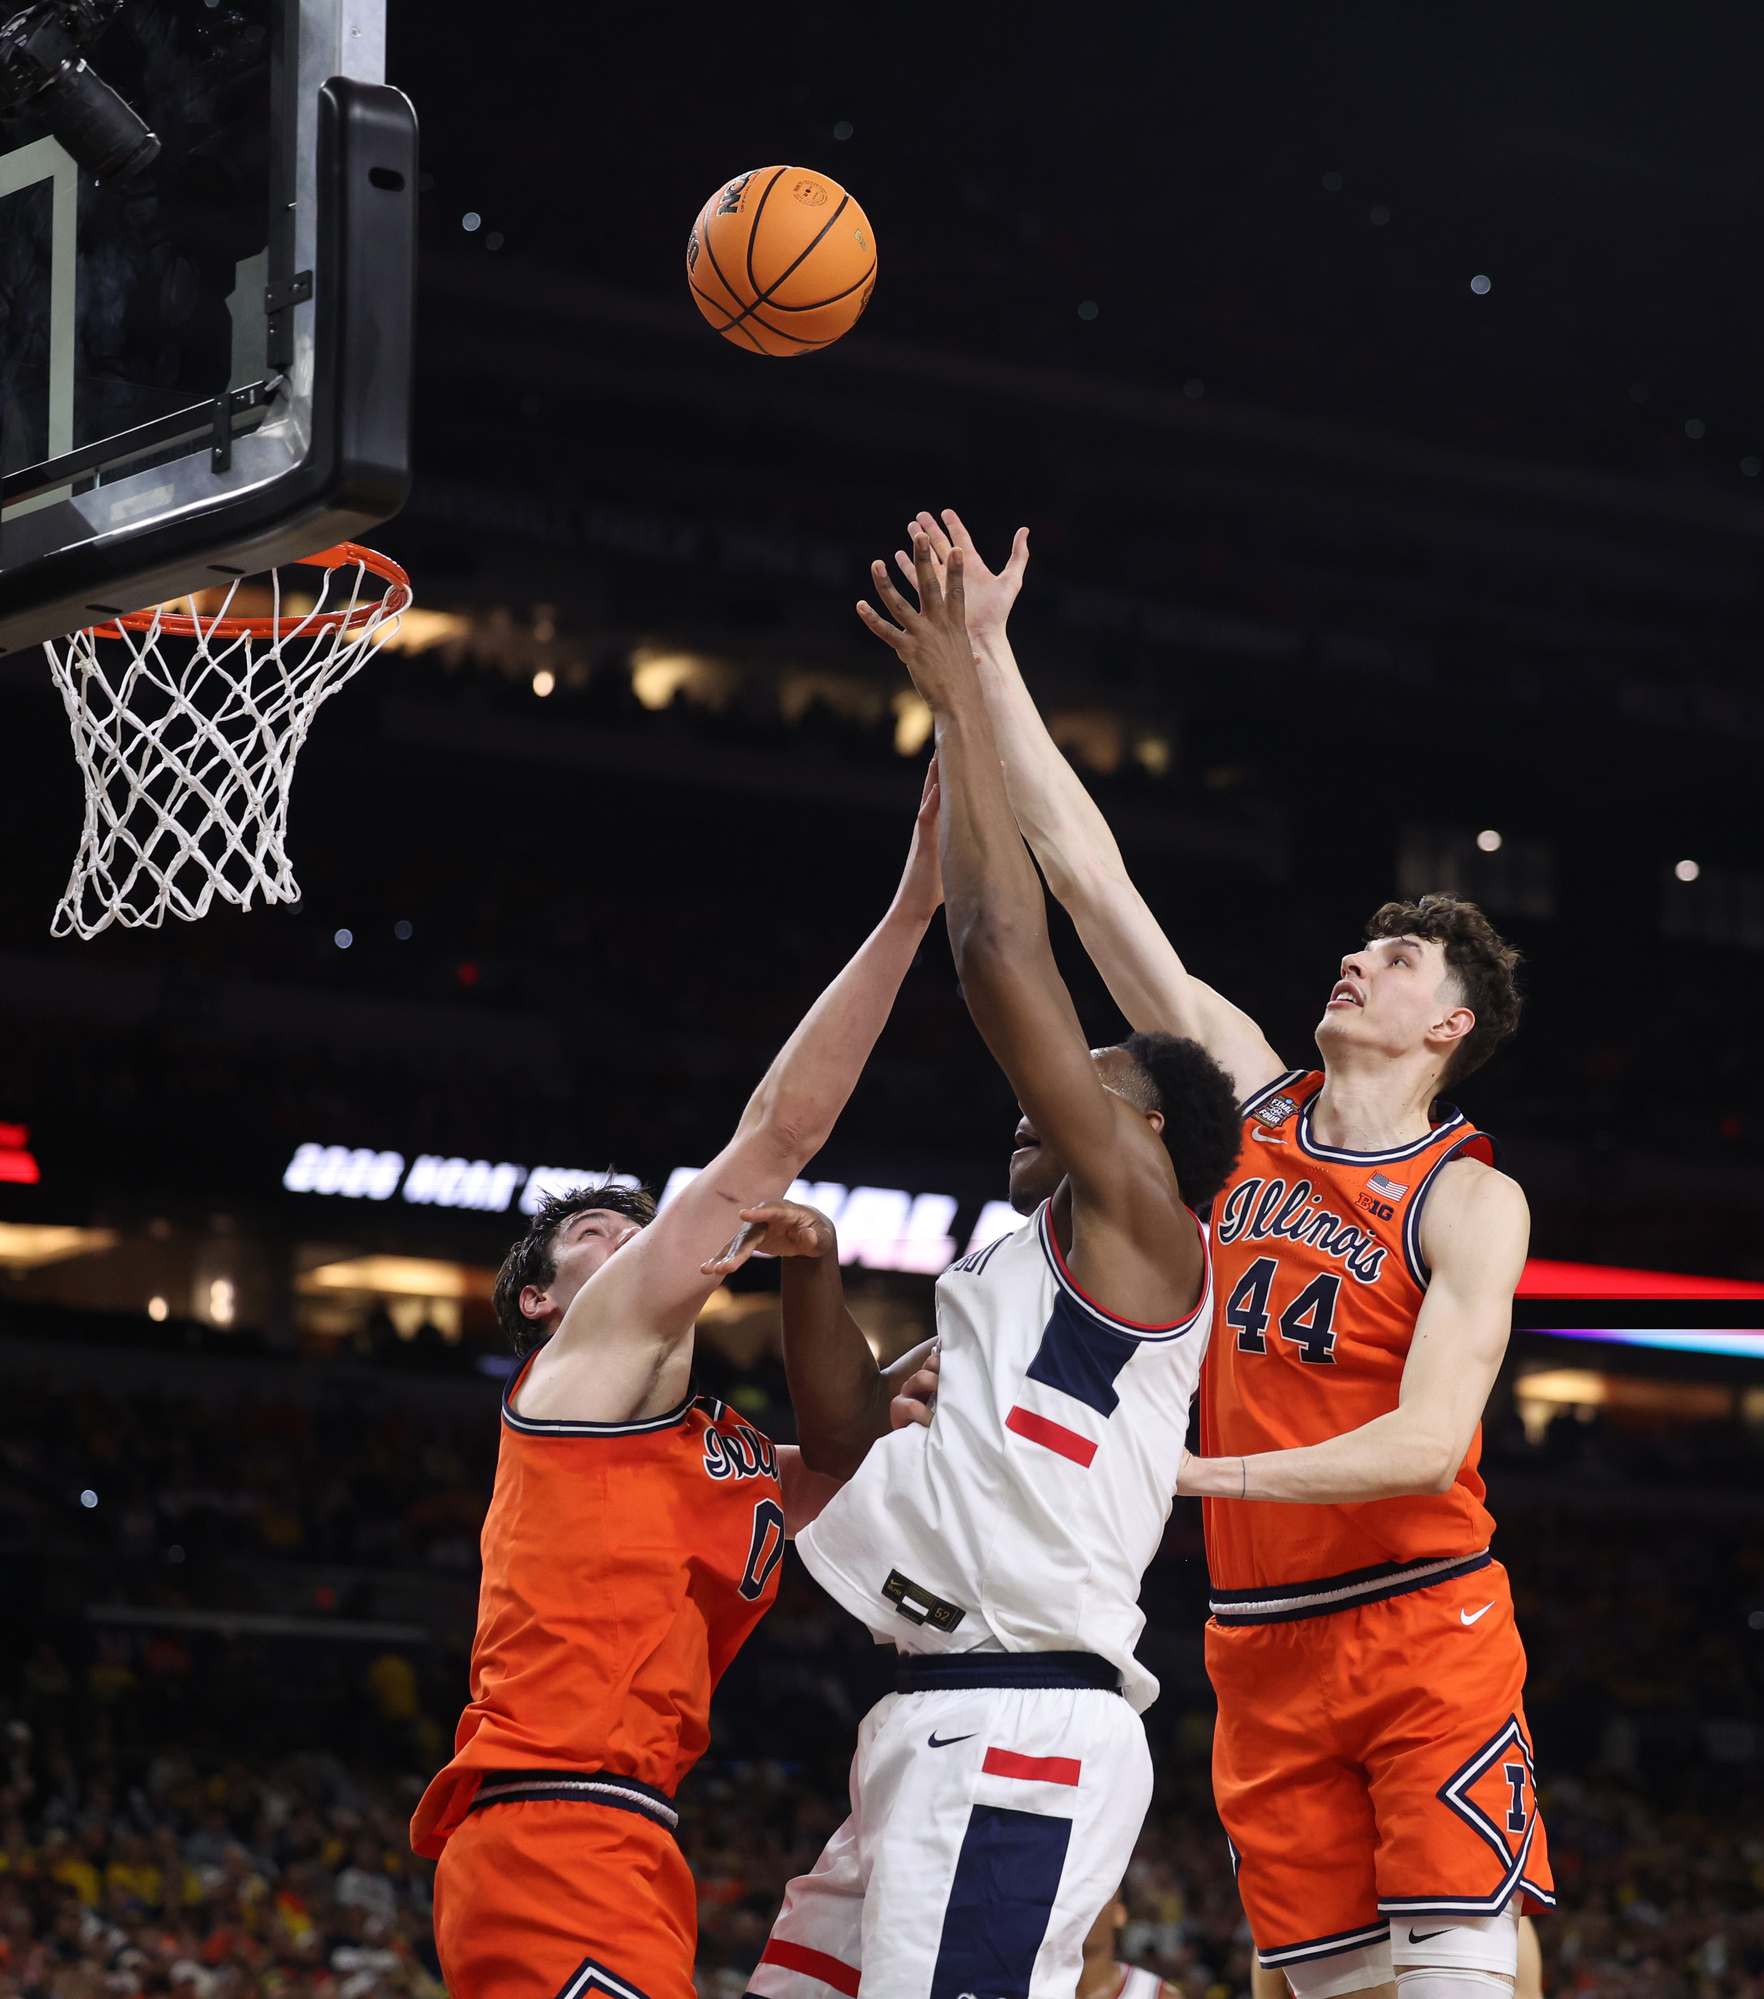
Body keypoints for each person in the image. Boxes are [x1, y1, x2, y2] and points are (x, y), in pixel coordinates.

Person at [895, 509, 1553, 1999]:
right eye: (1361, 943)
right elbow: (1088, 874)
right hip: (1254, 1636)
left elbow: (1427, 1441)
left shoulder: (1468, 1197)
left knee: (1459, 1970)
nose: (1358, 958)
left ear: (1449, 1025)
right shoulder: (1250, 1095)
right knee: (1322, 1986)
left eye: (1397, 959)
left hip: (1422, 1614)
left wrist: (1187, 1473)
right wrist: (989, 655)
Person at [743, 536, 1244, 1999]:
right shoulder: (1016, 1269)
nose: (1038, 1102)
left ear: (1148, 1131)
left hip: (1020, 1726)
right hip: (933, 1719)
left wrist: (960, 690)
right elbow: (844, 1431)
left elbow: (997, 954)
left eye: (1088, 1082)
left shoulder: (1148, 1225)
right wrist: (816, 1268)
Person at [409, 774, 948, 1999]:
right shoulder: (575, 1374)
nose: (630, 1236)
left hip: (629, 1826)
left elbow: (853, 1453)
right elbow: (778, 1135)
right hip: (545, 1822)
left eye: (635, 1220)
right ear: (541, 1304)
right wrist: (915, 904)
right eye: (592, 1233)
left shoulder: (721, 1449)